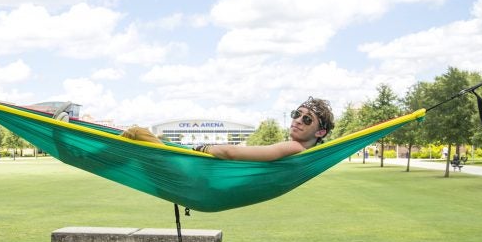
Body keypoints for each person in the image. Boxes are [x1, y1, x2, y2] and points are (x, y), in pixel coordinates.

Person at [122, 97, 335, 162]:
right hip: (202, 175)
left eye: (307, 119)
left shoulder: (294, 148)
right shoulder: (304, 152)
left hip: (197, 174)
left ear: (320, 133)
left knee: (136, 132)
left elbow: (230, 152)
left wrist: (201, 148)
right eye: (296, 114)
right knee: (141, 146)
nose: (298, 120)